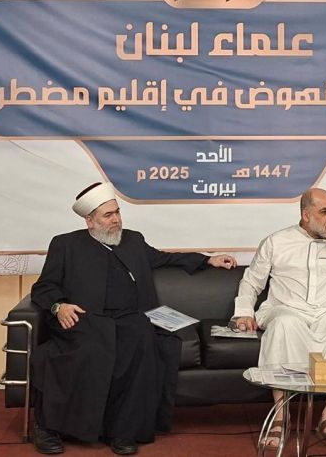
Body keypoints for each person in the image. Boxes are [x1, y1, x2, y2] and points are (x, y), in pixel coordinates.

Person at [30, 181, 237, 455]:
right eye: (108, 215)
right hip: (85, 319)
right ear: (90, 221)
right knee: (87, 349)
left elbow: (164, 259)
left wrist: (207, 259)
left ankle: (123, 430)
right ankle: (49, 427)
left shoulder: (133, 240)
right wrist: (59, 306)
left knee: (142, 343)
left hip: (130, 318)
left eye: (117, 212)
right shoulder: (66, 244)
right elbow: (44, 286)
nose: (116, 220)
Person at [232, 187, 326, 450]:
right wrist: (244, 312)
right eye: (324, 211)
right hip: (287, 308)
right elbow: (252, 281)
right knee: (284, 323)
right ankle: (281, 415)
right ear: (306, 215)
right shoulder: (276, 241)